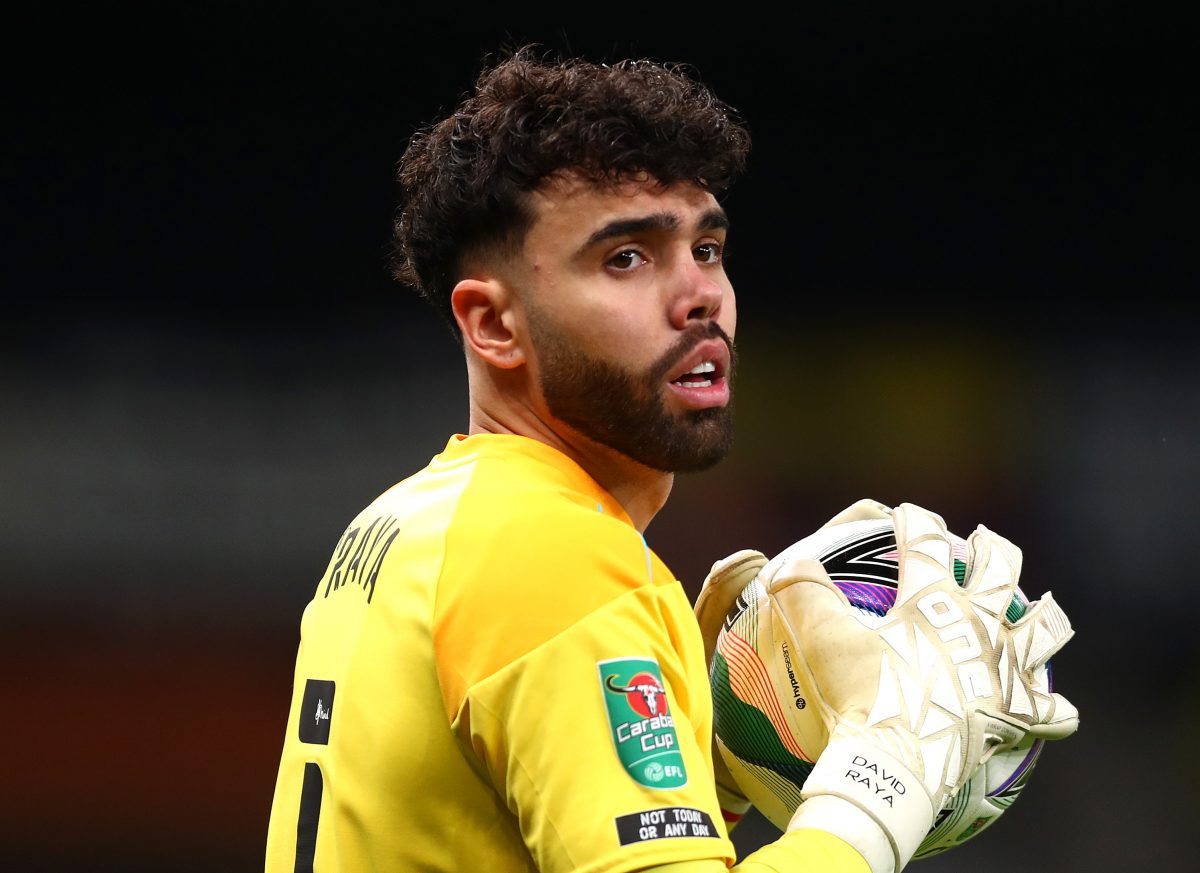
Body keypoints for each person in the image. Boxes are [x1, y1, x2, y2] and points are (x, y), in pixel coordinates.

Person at [264, 46, 1077, 873]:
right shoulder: (550, 551)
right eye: (627, 257)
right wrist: (884, 779)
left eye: (708, 248)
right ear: (493, 326)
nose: (699, 295)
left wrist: (712, 759)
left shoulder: (413, 521)